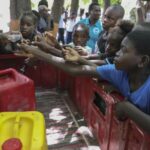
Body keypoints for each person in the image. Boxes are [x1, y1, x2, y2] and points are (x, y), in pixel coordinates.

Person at [19, 23, 150, 133]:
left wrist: (127, 108)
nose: (117, 53)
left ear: (143, 61)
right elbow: (75, 70)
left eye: (123, 50)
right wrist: (36, 51)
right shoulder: (118, 71)